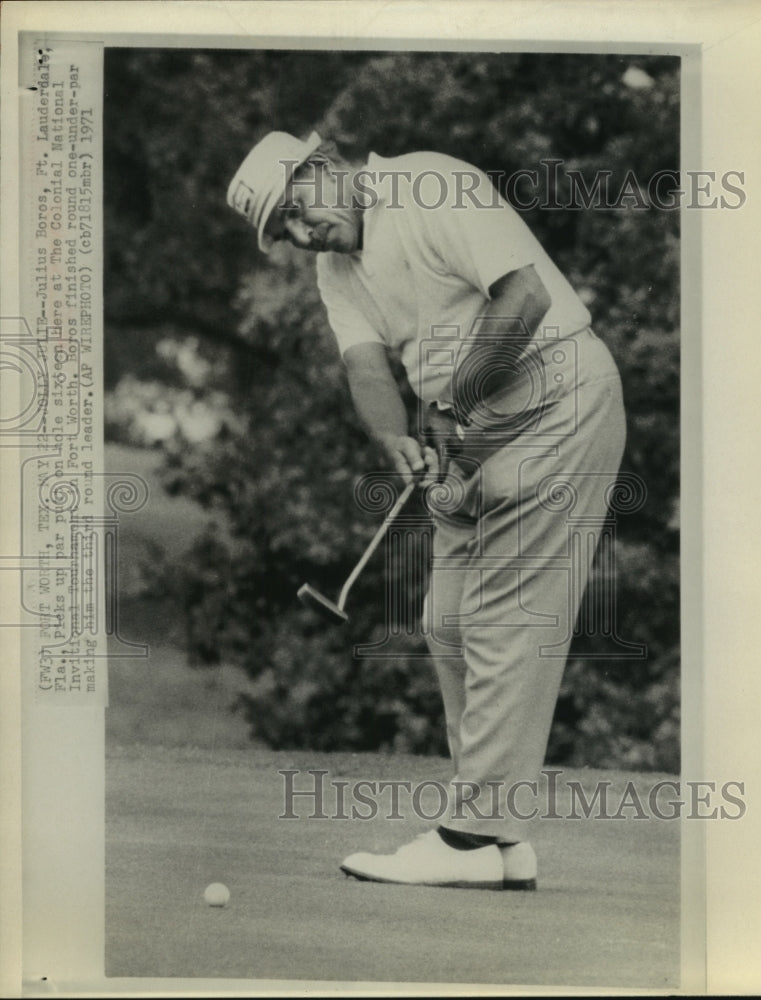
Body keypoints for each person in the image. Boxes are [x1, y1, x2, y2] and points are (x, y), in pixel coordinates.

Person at [227, 130, 627, 890]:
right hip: (465, 429)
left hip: (556, 395)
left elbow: (524, 297)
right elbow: (365, 366)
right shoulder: (336, 269)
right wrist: (394, 438)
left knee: (504, 616)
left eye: (298, 209)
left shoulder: (430, 186)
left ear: (324, 166)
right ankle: (501, 838)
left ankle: (468, 837)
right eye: (284, 230)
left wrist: (449, 404)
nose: (303, 234)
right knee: (447, 623)